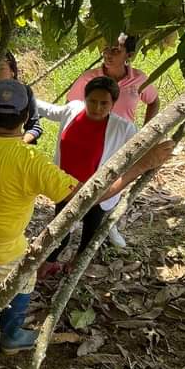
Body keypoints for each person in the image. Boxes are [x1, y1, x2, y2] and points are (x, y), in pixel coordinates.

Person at [0, 79, 171, 352]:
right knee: (23, 281)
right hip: (3, 247)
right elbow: (89, 197)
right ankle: (11, 335)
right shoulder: (31, 161)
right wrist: (142, 165)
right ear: (26, 117)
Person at [65, 34, 160, 248]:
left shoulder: (139, 80)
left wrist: (147, 132)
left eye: (116, 50)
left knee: (113, 185)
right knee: (82, 182)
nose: (108, 54)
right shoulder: (89, 79)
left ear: (129, 55)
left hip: (120, 144)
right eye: (106, 48)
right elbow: (71, 106)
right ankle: (69, 222)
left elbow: (154, 101)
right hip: (90, 144)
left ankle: (107, 223)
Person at [38, 76, 139, 276]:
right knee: (60, 231)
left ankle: (77, 262)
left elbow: (143, 148)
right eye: (92, 101)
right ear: (85, 98)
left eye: (104, 103)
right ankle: (48, 263)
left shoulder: (124, 128)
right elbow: (49, 110)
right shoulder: (73, 110)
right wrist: (21, 93)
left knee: (90, 232)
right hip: (66, 187)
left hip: (98, 192)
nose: (97, 108)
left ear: (113, 103)